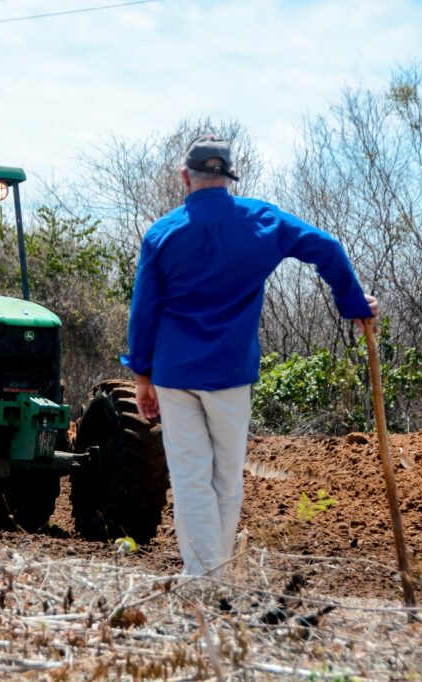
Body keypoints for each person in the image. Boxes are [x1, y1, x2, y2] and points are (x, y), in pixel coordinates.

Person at [121, 134, 379, 577]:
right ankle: (210, 578)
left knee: (190, 478)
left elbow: (144, 310)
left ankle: (204, 579)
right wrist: (353, 303)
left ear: (185, 176)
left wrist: (142, 376)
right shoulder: (263, 221)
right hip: (230, 372)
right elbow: (328, 248)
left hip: (174, 372)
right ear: (229, 178)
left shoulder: (161, 234)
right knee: (226, 478)